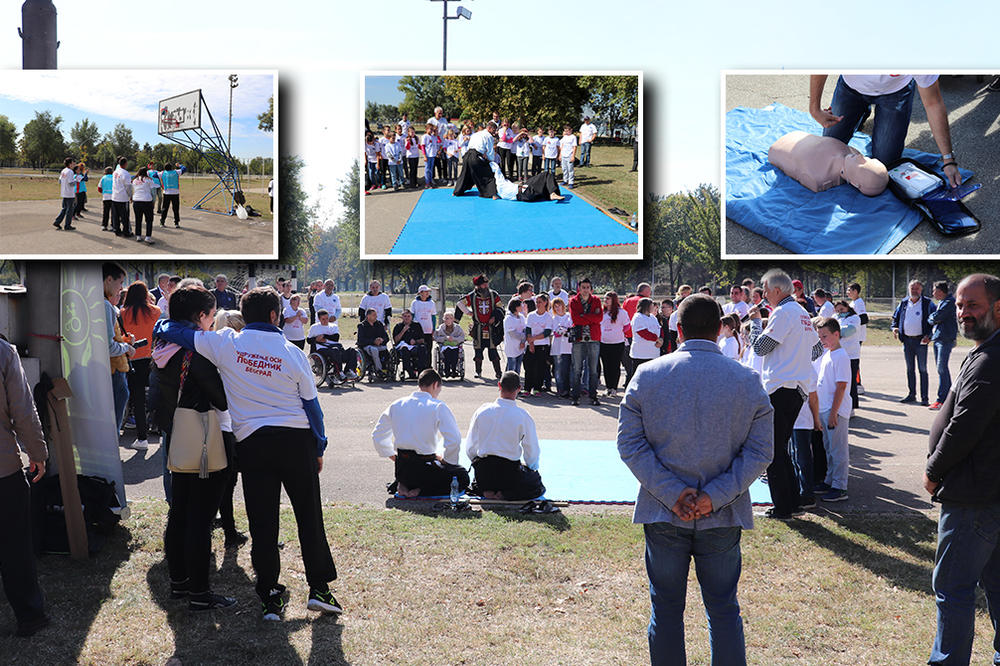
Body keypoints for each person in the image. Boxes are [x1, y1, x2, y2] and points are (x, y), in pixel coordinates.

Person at [154, 287, 341, 621]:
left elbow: (177, 331)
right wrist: (319, 446)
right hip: (296, 440)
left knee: (262, 522)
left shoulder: (226, 342)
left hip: (253, 444)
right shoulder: (293, 352)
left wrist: (163, 326)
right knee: (309, 517)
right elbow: (313, 409)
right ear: (274, 316)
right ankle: (320, 590)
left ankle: (270, 596)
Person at [617, 293, 773, 664]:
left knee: (667, 608)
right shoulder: (747, 379)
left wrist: (672, 493)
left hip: (664, 511)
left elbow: (629, 444)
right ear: (720, 329)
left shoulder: (648, 374)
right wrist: (714, 496)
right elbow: (760, 451)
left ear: (678, 328)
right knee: (722, 608)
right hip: (721, 513)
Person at [924, 273, 1000, 666]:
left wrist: (933, 471)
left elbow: (964, 426)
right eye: (959, 305)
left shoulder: (991, 359)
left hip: (973, 498)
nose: (963, 313)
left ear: (998, 308)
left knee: (952, 586)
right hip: (988, 495)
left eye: (973, 305)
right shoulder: (986, 351)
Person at [154, 286, 238, 611]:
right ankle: (201, 594)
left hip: (177, 440)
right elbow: (221, 399)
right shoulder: (196, 352)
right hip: (204, 442)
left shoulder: (162, 344)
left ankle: (179, 583)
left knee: (179, 512)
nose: (211, 325)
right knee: (201, 519)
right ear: (200, 317)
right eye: (210, 316)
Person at [748, 269, 824, 520]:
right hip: (797, 388)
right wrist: (795, 359)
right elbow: (816, 349)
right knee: (781, 448)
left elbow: (760, 348)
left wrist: (756, 323)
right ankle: (792, 503)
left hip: (780, 387)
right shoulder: (802, 313)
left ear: (777, 290)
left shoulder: (782, 313)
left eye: (765, 289)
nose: (763, 294)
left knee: (773, 450)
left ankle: (783, 507)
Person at [810, 74, 961, 188]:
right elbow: (820, 60)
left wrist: (948, 159)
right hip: (851, 89)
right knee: (829, 149)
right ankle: (861, 110)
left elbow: (933, 103)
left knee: (885, 166)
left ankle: (863, 112)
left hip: (895, 94)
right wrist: (814, 109)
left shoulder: (917, 49)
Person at [0, 336, 50, 637]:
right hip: (3, 469)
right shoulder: (3, 351)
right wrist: (38, 453)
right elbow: (23, 410)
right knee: (15, 545)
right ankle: (30, 616)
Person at [372, 369, 469, 497]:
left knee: (412, 471)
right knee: (462, 476)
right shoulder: (437, 406)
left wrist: (392, 456)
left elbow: (377, 435)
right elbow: (454, 440)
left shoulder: (397, 404)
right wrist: (446, 460)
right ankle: (422, 490)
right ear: (435, 385)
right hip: (426, 467)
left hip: (402, 467)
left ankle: (403, 484)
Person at [465, 372, 545, 501]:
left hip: (485, 471)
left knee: (479, 478)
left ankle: (487, 490)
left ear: (499, 385)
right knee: (535, 482)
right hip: (509, 472)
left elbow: (470, 447)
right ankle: (504, 494)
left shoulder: (482, 411)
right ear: (519, 388)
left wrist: (476, 462)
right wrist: (532, 467)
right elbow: (531, 449)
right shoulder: (523, 416)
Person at [211, 309, 249, 548]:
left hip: (227, 427)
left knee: (227, 484)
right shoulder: (228, 357)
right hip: (230, 428)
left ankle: (230, 529)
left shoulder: (214, 353)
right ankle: (230, 530)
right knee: (228, 483)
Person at [768, 130, 889, 196]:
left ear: (855, 183)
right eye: (868, 159)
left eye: (863, 165)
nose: (860, 157)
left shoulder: (817, 177)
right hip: (796, 137)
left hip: (778, 149)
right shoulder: (852, 153)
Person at [812, 317, 852, 503]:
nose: (822, 340)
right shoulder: (828, 353)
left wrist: (834, 413)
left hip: (834, 411)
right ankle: (829, 480)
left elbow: (841, 387)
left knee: (838, 450)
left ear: (837, 334)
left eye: (825, 336)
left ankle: (840, 486)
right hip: (826, 408)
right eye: (820, 336)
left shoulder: (841, 356)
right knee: (829, 448)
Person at [122, 281, 162, 451]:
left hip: (133, 359)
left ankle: (142, 438)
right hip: (154, 358)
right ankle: (161, 429)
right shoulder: (156, 311)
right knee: (159, 395)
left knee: (137, 399)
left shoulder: (123, 313)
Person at [891, 279, 936, 405]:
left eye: (917, 288)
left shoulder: (928, 303)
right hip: (907, 341)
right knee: (910, 369)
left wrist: (930, 336)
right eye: (912, 288)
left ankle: (925, 398)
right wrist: (894, 327)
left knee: (922, 369)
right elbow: (895, 317)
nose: (914, 291)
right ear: (909, 289)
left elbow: (935, 321)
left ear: (921, 290)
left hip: (921, 341)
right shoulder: (904, 302)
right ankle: (911, 395)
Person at [103, 263, 135, 433]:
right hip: (114, 369)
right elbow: (108, 346)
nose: (121, 288)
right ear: (109, 280)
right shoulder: (106, 305)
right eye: (120, 282)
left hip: (106, 369)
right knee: (115, 413)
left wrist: (122, 341)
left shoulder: (97, 303)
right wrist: (126, 347)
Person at [455, 275, 503, 379]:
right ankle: (478, 372)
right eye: (483, 284)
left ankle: (498, 373)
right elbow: (459, 303)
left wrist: (495, 317)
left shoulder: (494, 295)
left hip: (491, 329)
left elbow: (500, 308)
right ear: (478, 286)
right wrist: (468, 312)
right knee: (478, 351)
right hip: (478, 329)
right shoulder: (472, 296)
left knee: (493, 351)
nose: (486, 286)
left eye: (487, 283)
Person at [569, 278, 603, 406]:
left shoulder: (596, 300)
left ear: (591, 289)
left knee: (593, 370)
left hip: (593, 339)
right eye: (583, 287)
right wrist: (590, 318)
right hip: (579, 339)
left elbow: (599, 318)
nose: (585, 289)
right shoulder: (573, 301)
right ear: (579, 288)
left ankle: (593, 396)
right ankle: (575, 396)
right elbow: (575, 319)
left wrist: (584, 316)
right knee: (577, 369)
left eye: (588, 287)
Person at [927, 280, 957, 411]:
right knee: (941, 369)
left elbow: (936, 317)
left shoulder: (949, 302)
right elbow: (933, 318)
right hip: (938, 338)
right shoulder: (942, 302)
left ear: (940, 291)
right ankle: (950, 398)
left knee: (942, 369)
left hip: (944, 339)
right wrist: (932, 318)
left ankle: (942, 400)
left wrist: (932, 318)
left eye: (934, 290)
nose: (933, 293)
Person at [307, 308, 358, 381]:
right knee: (335, 351)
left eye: (327, 318)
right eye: (323, 319)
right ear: (319, 319)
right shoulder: (314, 327)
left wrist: (324, 336)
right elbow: (309, 340)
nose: (325, 321)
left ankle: (349, 370)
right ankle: (339, 372)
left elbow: (336, 338)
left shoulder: (333, 326)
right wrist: (316, 339)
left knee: (352, 351)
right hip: (323, 349)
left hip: (336, 347)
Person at [453, 122, 499, 198]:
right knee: (488, 174)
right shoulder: (489, 136)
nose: (495, 132)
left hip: (467, 155)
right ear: (489, 128)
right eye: (494, 130)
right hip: (476, 156)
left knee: (465, 174)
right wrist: (491, 161)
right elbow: (490, 151)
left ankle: (457, 191)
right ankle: (492, 194)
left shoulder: (476, 134)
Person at [486, 161, 565, 202]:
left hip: (525, 197)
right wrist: (489, 160)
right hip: (526, 192)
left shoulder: (499, 193)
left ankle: (550, 194)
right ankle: (553, 193)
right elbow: (496, 169)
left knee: (543, 184)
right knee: (546, 174)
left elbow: (494, 197)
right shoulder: (500, 184)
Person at [833, 301, 862, 410]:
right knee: (839, 382)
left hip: (851, 355)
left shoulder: (855, 318)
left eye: (842, 309)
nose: (840, 312)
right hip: (838, 353)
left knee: (851, 382)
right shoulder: (835, 317)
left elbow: (848, 331)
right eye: (838, 310)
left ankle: (852, 406)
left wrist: (832, 332)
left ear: (847, 307)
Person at [523, 293, 553, 396]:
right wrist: (531, 343)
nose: (538, 304)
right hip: (531, 345)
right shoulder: (531, 315)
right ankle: (527, 388)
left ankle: (537, 388)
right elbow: (528, 329)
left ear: (545, 303)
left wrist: (534, 339)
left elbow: (547, 332)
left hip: (542, 345)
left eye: (540, 302)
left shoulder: (548, 317)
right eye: (537, 302)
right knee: (528, 367)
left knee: (540, 368)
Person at [599, 292, 628, 397]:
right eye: (605, 298)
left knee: (615, 366)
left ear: (614, 300)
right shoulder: (603, 312)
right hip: (604, 343)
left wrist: (618, 331)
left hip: (617, 343)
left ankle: (614, 388)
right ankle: (608, 387)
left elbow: (627, 326)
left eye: (608, 298)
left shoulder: (622, 312)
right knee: (606, 366)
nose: (605, 300)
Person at [393, 310, 429, 379]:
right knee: (404, 350)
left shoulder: (417, 325)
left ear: (411, 317)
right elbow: (396, 340)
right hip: (403, 347)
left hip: (415, 346)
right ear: (402, 317)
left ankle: (420, 371)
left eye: (408, 316)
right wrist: (403, 331)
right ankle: (410, 372)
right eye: (405, 316)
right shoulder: (398, 326)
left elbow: (422, 339)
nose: (407, 318)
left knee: (422, 348)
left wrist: (415, 341)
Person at [629, 297, 662, 371]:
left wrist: (661, 340)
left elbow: (659, 329)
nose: (653, 307)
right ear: (646, 306)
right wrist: (657, 339)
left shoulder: (653, 317)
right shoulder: (638, 317)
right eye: (651, 305)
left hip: (653, 353)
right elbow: (643, 333)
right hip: (641, 354)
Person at [549, 297, 573, 398]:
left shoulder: (569, 316)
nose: (558, 308)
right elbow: (556, 332)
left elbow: (571, 329)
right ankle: (560, 389)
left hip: (568, 347)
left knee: (568, 369)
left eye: (559, 306)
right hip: (557, 347)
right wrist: (564, 330)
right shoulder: (554, 318)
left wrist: (564, 330)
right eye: (556, 306)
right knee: (558, 370)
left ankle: (568, 389)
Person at [847, 282, 868, 394]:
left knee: (854, 360)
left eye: (849, 290)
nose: (847, 292)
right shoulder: (853, 302)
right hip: (853, 336)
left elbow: (864, 318)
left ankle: (858, 384)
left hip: (857, 336)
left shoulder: (859, 303)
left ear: (855, 291)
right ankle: (854, 383)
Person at [358, 308, 390, 378]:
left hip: (379, 345)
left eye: (376, 315)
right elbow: (361, 340)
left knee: (385, 348)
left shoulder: (379, 324)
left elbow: (386, 338)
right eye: (374, 315)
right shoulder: (362, 326)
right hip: (367, 346)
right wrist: (373, 341)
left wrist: (381, 340)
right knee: (373, 349)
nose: (376, 317)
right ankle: (379, 370)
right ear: (368, 316)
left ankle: (387, 368)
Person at [433, 312, 465, 377]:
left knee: (455, 354)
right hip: (445, 346)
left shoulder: (458, 328)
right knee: (447, 353)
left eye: (450, 318)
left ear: (453, 319)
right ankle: (447, 370)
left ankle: (453, 370)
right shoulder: (440, 328)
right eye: (446, 318)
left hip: (455, 346)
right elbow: (436, 337)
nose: (448, 320)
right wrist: (445, 338)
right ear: (444, 319)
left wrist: (454, 339)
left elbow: (462, 337)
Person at [131, 167, 155, 244]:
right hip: (147, 201)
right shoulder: (149, 180)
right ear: (146, 173)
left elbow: (132, 190)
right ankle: (148, 237)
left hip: (136, 201)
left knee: (138, 219)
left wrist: (131, 198)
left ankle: (138, 236)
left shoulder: (135, 180)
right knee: (149, 220)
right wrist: (153, 201)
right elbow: (153, 192)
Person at [503, 299, 527, 376]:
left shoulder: (522, 317)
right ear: (516, 307)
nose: (522, 307)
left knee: (518, 369)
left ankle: (516, 385)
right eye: (520, 305)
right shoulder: (508, 318)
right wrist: (524, 336)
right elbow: (512, 333)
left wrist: (523, 342)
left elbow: (524, 329)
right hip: (512, 347)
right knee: (511, 369)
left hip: (520, 347)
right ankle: (508, 385)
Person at [53, 156, 78, 231]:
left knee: (64, 208)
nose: (74, 164)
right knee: (70, 210)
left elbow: (60, 181)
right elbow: (71, 183)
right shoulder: (70, 172)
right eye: (73, 163)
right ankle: (67, 225)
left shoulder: (63, 171)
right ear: (70, 164)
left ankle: (57, 222)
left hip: (64, 192)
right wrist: (76, 181)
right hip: (69, 193)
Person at [111, 157, 132, 237]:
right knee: (125, 216)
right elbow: (128, 187)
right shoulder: (125, 173)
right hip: (123, 198)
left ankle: (117, 230)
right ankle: (126, 231)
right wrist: (130, 195)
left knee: (116, 215)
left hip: (115, 196)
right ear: (125, 164)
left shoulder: (115, 172)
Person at [159, 162, 186, 228]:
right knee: (176, 209)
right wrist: (179, 165)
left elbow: (154, 175)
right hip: (175, 193)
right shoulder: (176, 172)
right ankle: (176, 223)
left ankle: (162, 222)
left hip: (166, 193)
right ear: (171, 167)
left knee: (164, 208)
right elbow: (184, 168)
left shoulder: (162, 173)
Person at [410, 285, 436, 350]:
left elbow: (433, 316)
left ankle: (428, 360)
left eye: (428, 291)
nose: (427, 293)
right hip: (418, 329)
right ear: (420, 293)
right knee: (419, 348)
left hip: (428, 329)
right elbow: (412, 315)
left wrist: (433, 328)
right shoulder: (415, 302)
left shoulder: (431, 303)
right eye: (425, 291)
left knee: (428, 348)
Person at [420, 123, 440, 188]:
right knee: (427, 169)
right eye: (430, 129)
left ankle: (430, 181)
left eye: (432, 129)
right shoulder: (424, 136)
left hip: (432, 155)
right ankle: (427, 182)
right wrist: (424, 155)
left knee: (431, 169)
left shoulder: (434, 137)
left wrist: (436, 153)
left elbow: (437, 144)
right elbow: (423, 146)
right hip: (427, 155)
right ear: (426, 129)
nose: (431, 130)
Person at [97, 166, 114, 232]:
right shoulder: (113, 177)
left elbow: (99, 188)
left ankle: (104, 225)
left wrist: (103, 192)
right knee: (113, 212)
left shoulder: (103, 178)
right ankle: (113, 225)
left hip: (106, 197)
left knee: (106, 212)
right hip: (113, 196)